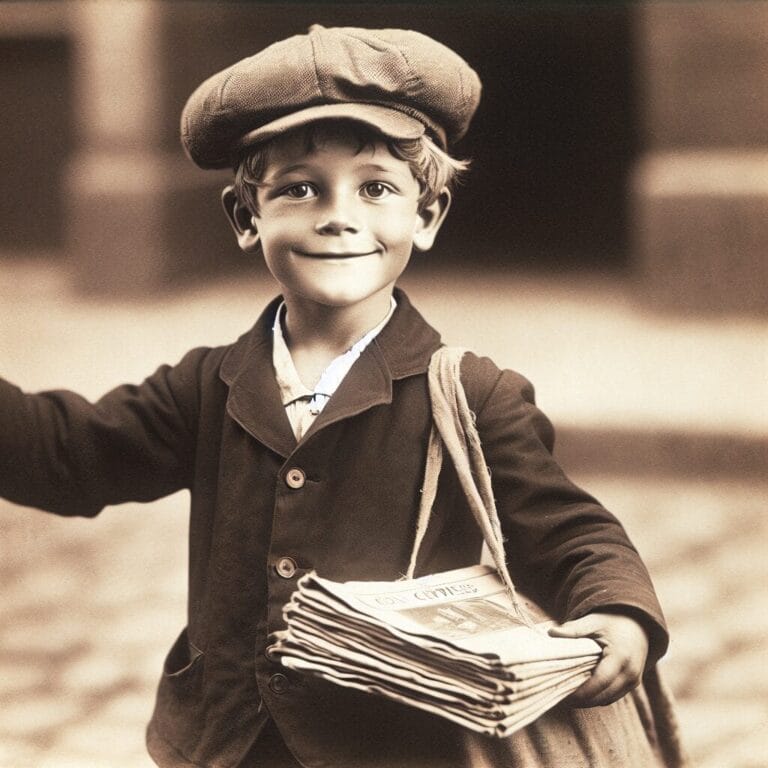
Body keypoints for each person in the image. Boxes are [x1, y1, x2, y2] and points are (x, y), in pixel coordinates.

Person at [0, 24, 679, 768]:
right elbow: (69, 455)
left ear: (426, 216)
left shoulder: (470, 393)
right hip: (232, 743)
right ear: (244, 216)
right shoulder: (206, 384)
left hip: (395, 747)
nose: (338, 214)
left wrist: (619, 610)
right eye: (298, 188)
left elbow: (571, 530)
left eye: (376, 187)